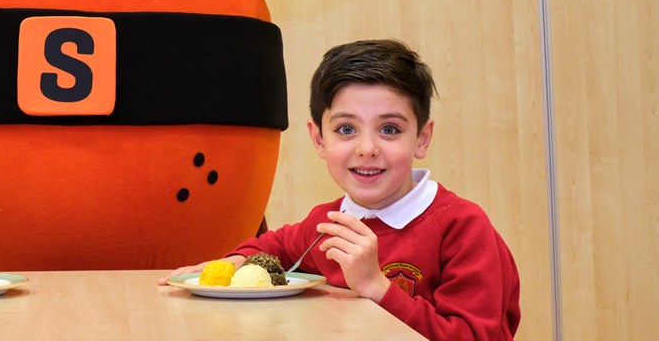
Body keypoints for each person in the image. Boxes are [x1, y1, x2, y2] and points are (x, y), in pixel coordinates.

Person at [164, 39, 520, 340]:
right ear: (319, 139)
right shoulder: (328, 223)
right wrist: (230, 265)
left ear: (421, 139)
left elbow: (475, 336)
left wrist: (376, 286)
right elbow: (273, 246)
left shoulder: (462, 227)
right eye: (346, 130)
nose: (367, 148)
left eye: (390, 129)